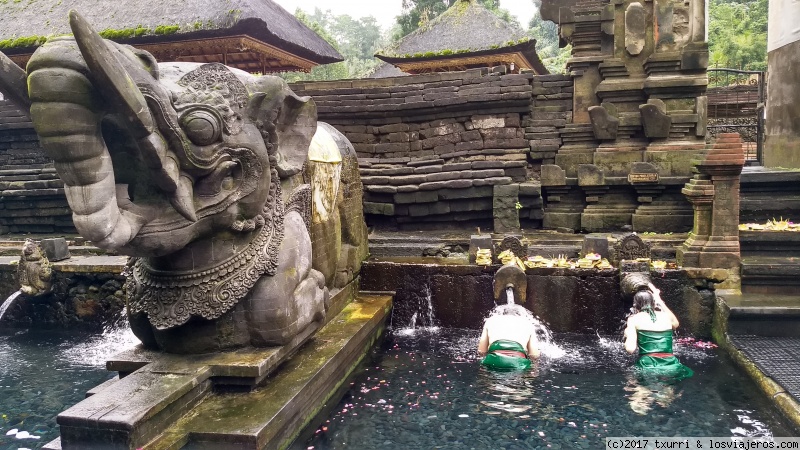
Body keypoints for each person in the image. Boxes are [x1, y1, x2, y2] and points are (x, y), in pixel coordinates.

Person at [624, 283, 693, 380]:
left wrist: (628, 334)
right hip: (670, 365)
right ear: (653, 303)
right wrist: (659, 299)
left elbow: (630, 349)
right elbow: (675, 324)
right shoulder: (666, 316)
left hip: (648, 366)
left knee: (640, 393)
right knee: (666, 393)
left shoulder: (634, 319)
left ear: (635, 305)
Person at [477, 304, 540, 371]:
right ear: (520, 314)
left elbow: (482, 351)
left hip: (494, 360)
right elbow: (534, 355)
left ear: (500, 313)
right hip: (518, 363)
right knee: (527, 376)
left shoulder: (490, 320)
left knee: (486, 377)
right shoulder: (528, 323)